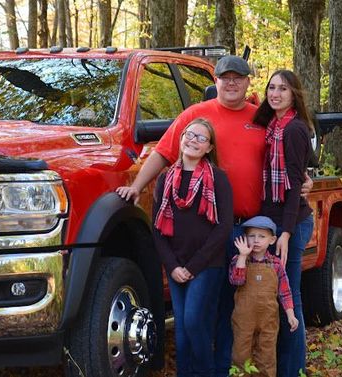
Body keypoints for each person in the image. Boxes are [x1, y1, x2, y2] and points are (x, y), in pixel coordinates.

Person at [116, 56, 311, 376]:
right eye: (225, 77)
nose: (231, 83)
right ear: (215, 81)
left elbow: (289, 152)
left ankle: (243, 369)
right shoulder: (195, 116)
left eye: (238, 77)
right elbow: (164, 153)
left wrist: (305, 179)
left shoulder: (260, 117)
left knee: (247, 306)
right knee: (206, 310)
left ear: (249, 83)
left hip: (250, 230)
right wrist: (137, 186)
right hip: (208, 232)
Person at [152, 118, 233, 377]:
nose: (193, 141)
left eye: (201, 138)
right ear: (181, 138)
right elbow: (157, 228)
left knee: (193, 320)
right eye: (190, 135)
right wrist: (174, 266)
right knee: (183, 331)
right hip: (176, 264)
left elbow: (224, 227)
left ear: (209, 147)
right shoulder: (165, 179)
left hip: (207, 264)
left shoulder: (218, 178)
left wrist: (194, 266)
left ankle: (206, 371)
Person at [252, 70, 315, 377]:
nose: (275, 93)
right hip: (273, 221)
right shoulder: (272, 125)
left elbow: (292, 186)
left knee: (289, 300)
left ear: (294, 95)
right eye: (271, 87)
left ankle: (294, 371)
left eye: (283, 89)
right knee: (276, 300)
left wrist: (286, 234)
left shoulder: (293, 130)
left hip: (292, 223)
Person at [229, 216, 298, 377]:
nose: (256, 241)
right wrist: (242, 256)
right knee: (240, 353)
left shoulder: (276, 264)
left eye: (262, 236)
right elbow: (236, 280)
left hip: (268, 320)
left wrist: (290, 314)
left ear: (272, 240)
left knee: (266, 356)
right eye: (252, 236)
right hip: (243, 319)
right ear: (245, 238)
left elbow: (285, 291)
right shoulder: (239, 260)